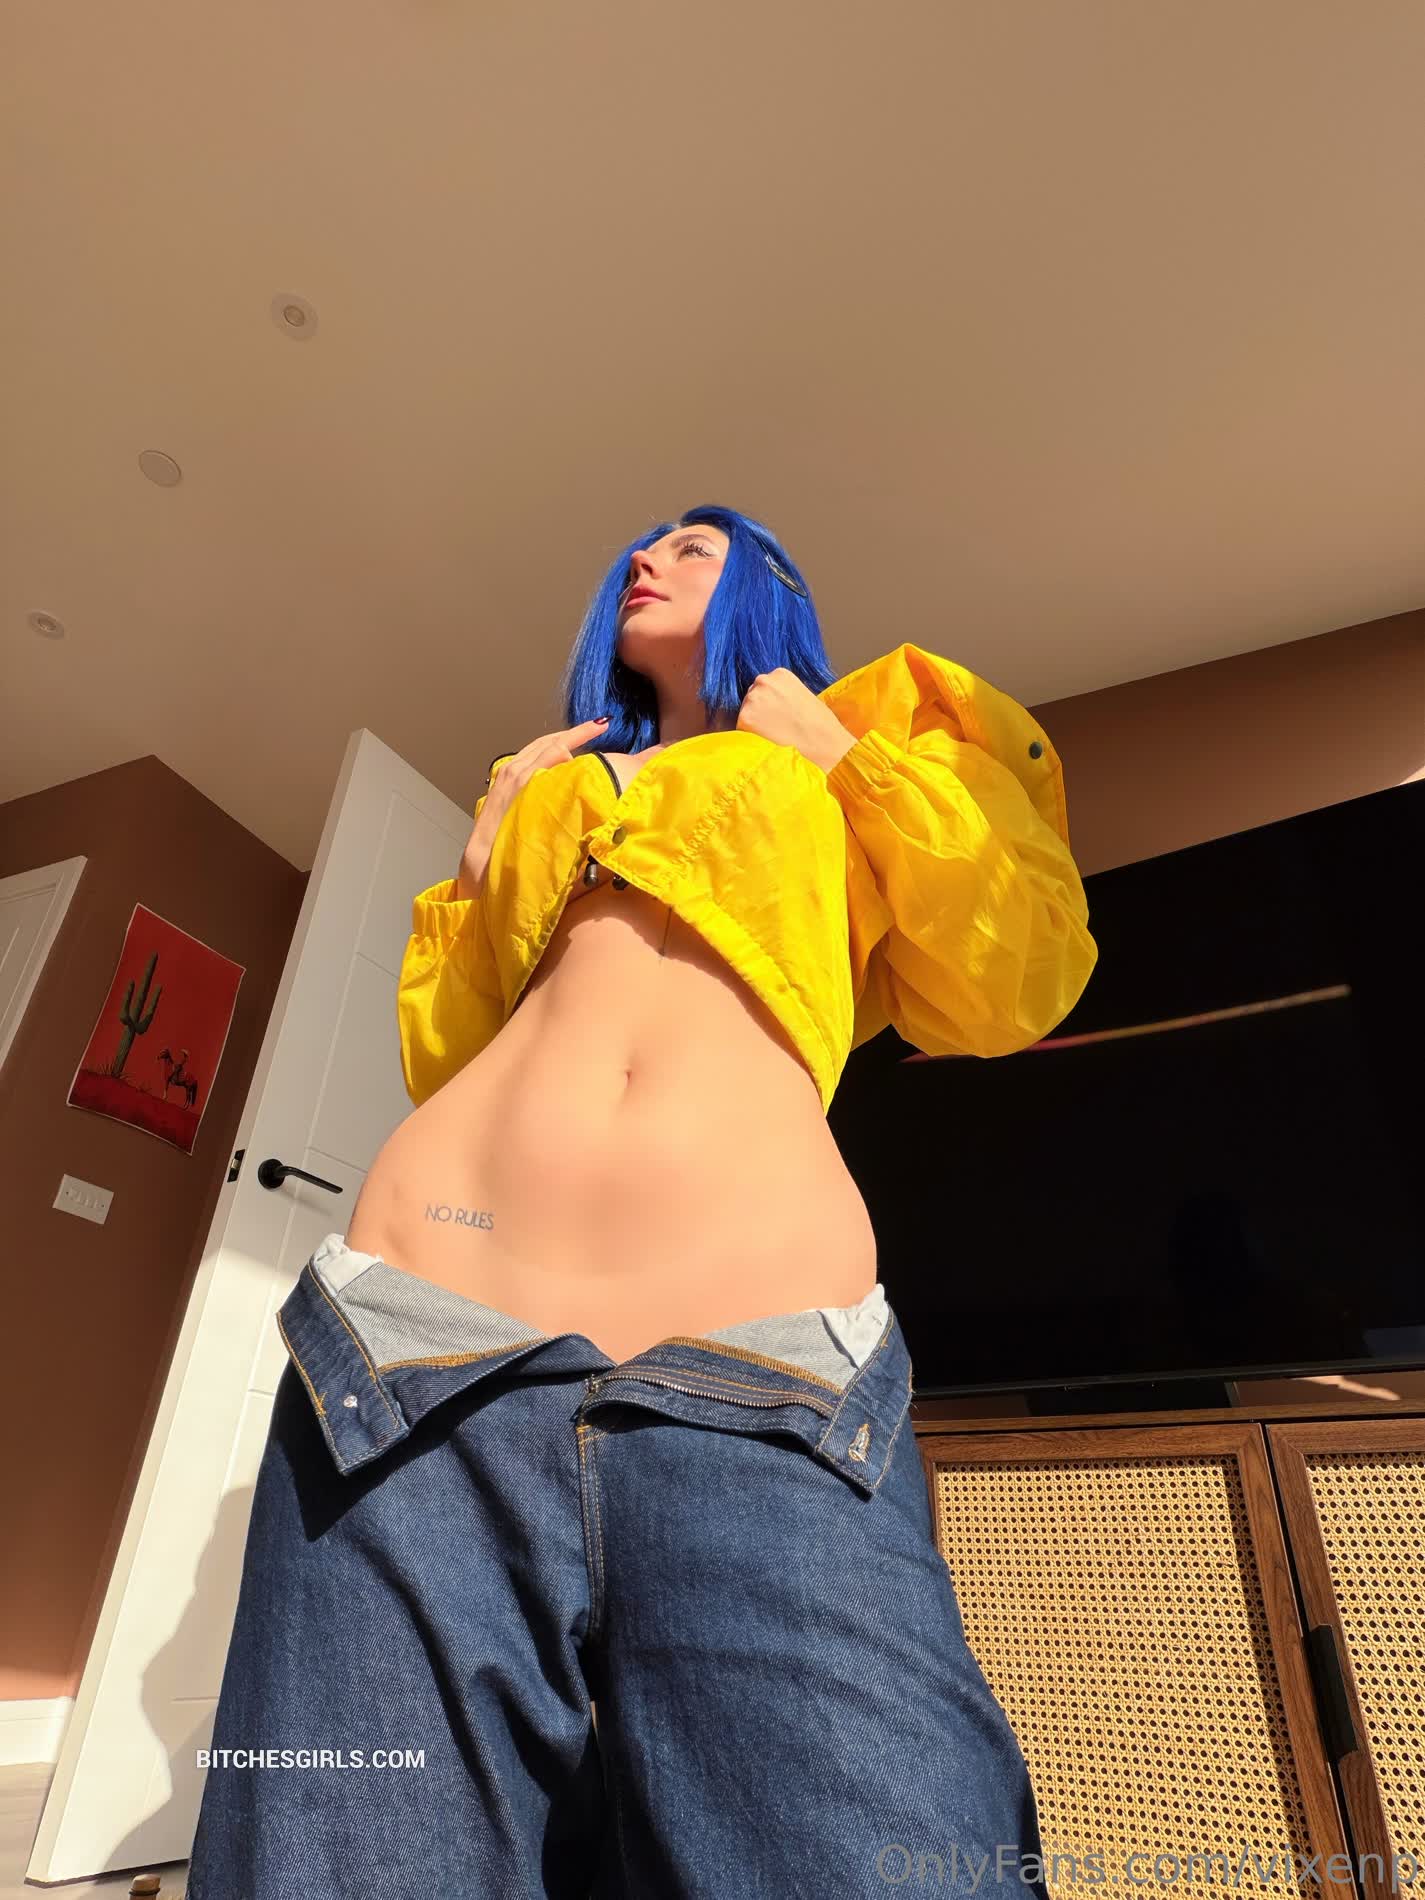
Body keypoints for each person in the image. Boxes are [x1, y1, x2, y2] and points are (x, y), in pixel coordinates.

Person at [187, 503, 1098, 1899]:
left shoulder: (868, 744)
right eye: (638, 546)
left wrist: (836, 754)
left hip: (763, 1363)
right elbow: (453, 1053)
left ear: (769, 587)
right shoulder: (551, 780)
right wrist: (483, 866)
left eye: (692, 544)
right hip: (418, 1337)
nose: (643, 559)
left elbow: (1013, 980)